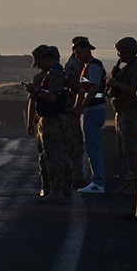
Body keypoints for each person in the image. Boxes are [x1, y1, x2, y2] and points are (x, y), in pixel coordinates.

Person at [24, 45, 72, 199]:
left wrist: (36, 90)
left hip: (54, 119)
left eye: (40, 62)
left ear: (47, 59)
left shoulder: (56, 74)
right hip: (46, 119)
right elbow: (33, 101)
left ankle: (58, 190)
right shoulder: (43, 76)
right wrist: (31, 121)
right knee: (48, 155)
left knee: (53, 156)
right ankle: (51, 188)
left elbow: (53, 97)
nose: (39, 66)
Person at [105, 37, 137, 194]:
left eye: (121, 51)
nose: (119, 54)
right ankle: (127, 180)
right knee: (122, 149)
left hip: (130, 112)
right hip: (122, 111)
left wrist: (116, 84)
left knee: (131, 148)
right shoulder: (126, 67)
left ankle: (134, 182)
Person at [71, 36, 108, 194]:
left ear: (87, 49)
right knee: (92, 146)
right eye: (75, 53)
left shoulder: (92, 67)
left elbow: (93, 89)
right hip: (93, 111)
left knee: (92, 147)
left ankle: (98, 183)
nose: (77, 55)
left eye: (79, 52)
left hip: (93, 111)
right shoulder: (90, 66)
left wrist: (82, 107)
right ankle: (97, 181)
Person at [61, 47, 86, 184]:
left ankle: (74, 176)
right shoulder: (73, 66)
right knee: (74, 145)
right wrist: (77, 109)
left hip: (71, 110)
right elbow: (80, 90)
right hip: (71, 111)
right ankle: (75, 176)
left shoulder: (76, 65)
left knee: (72, 145)